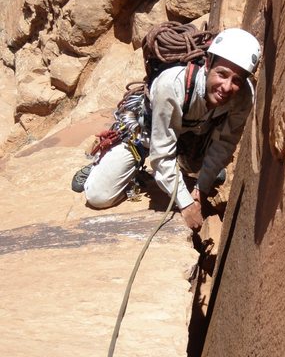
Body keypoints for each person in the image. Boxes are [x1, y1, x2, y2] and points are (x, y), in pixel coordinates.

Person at [81, 28, 261, 230]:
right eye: (222, 74)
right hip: (146, 134)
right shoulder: (172, 85)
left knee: (200, 170)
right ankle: (99, 166)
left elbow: (225, 144)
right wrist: (186, 203)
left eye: (236, 80)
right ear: (208, 64)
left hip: (190, 135)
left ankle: (191, 170)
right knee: (98, 196)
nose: (227, 87)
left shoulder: (244, 97)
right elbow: (161, 155)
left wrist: (201, 188)